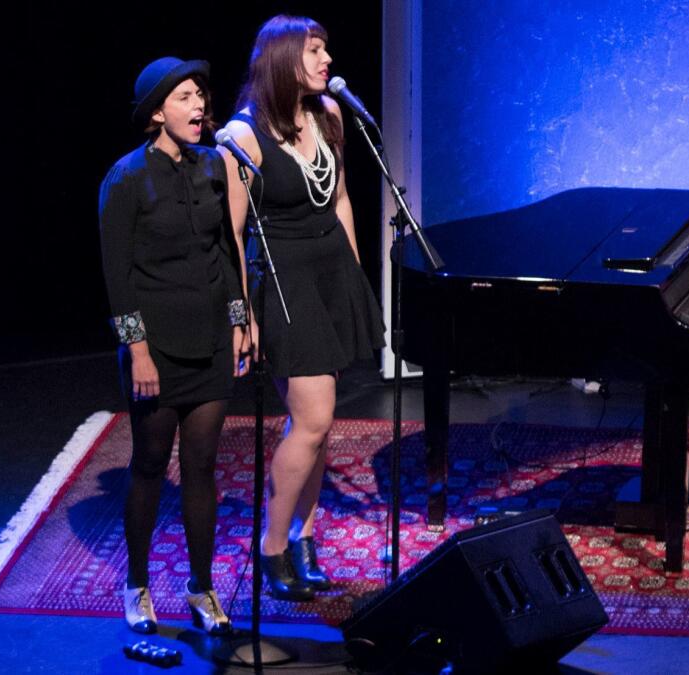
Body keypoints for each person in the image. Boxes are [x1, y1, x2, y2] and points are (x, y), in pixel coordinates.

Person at [220, 15, 386, 601]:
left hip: (331, 274)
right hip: (285, 284)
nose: (327, 61)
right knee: (313, 420)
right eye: (315, 51)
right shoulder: (241, 136)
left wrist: (356, 276)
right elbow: (233, 235)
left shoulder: (329, 115)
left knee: (317, 425)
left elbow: (339, 197)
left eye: (326, 50)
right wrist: (244, 316)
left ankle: (304, 537)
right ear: (286, 59)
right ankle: (271, 548)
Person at [99, 57, 250, 634]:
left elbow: (224, 251)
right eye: (186, 97)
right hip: (156, 351)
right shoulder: (126, 179)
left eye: (202, 96)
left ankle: (201, 588)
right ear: (158, 111)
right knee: (150, 465)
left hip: (211, 341)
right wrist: (137, 351)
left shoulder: (213, 166)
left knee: (204, 467)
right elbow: (117, 276)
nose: (199, 106)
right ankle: (137, 584)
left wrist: (240, 320)